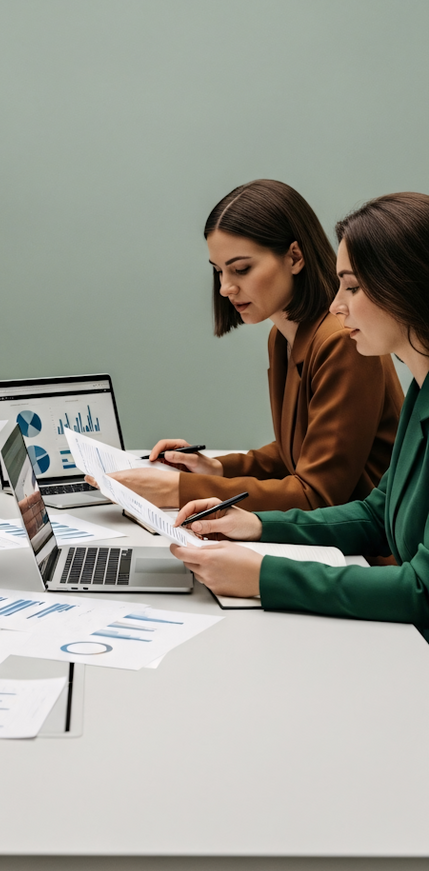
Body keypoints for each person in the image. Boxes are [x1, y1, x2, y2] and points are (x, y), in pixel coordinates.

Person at [166, 191, 429, 634]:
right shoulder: (422, 392)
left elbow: (422, 590)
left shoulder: (341, 345)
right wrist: (254, 524)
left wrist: (263, 576)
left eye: (352, 287)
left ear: (408, 286)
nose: (336, 305)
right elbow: (374, 515)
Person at [109, 180, 403, 513]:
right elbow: (300, 450)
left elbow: (317, 495)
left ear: (294, 257)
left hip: (367, 539)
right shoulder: (281, 337)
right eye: (219, 271)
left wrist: (179, 490)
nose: (225, 288)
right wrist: (216, 469)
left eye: (241, 269)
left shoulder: (341, 341)